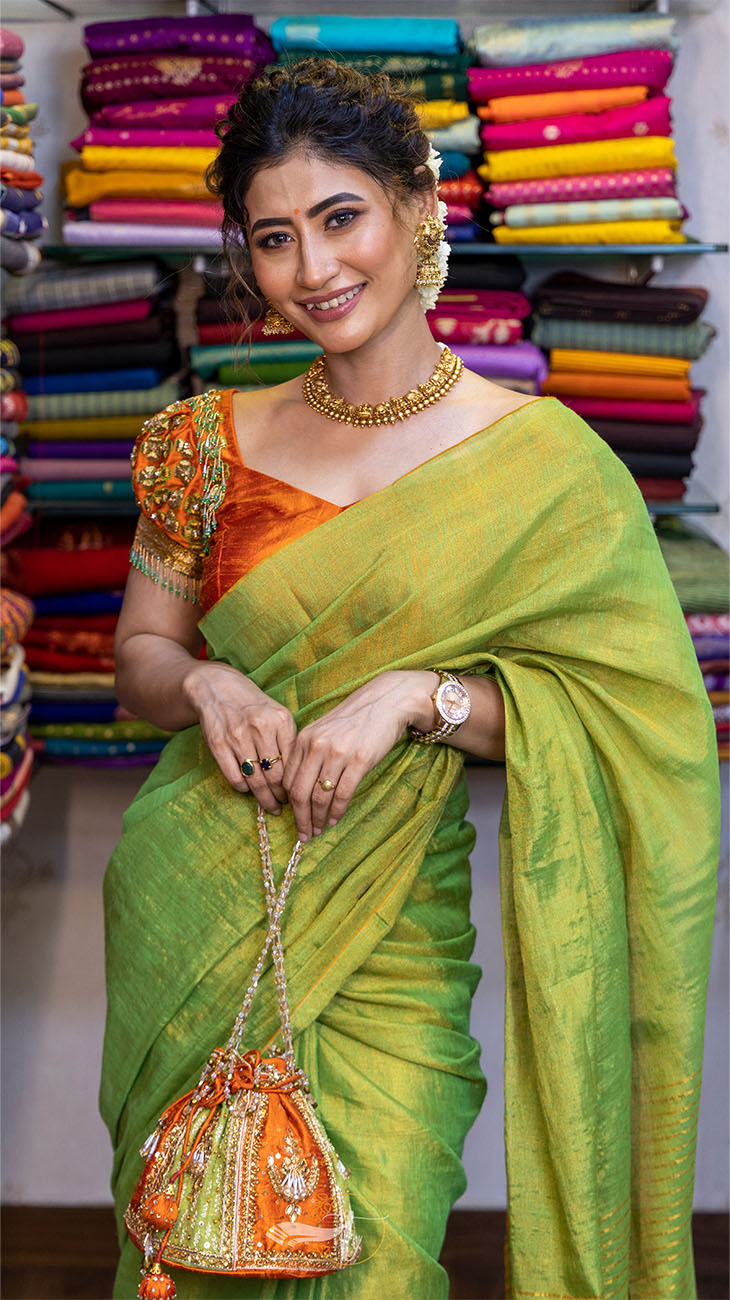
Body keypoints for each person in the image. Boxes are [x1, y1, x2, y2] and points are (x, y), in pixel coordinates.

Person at [100, 60, 719, 1300]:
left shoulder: (542, 466)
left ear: (416, 209)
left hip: (392, 932)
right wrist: (209, 688)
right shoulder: (203, 443)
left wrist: (415, 697)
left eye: (341, 218)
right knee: (189, 1247)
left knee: (376, 1257)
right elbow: (141, 656)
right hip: (199, 900)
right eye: (274, 239)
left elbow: (630, 718)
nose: (314, 268)